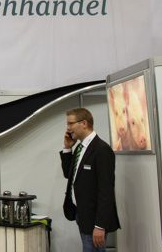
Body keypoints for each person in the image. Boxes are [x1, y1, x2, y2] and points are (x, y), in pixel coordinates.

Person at [60, 107, 120, 252]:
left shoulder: (102, 150)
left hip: (94, 220)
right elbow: (69, 175)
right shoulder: (80, 148)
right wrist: (67, 148)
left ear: (84, 123)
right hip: (81, 214)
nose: (68, 128)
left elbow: (106, 191)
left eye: (71, 123)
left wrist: (100, 226)